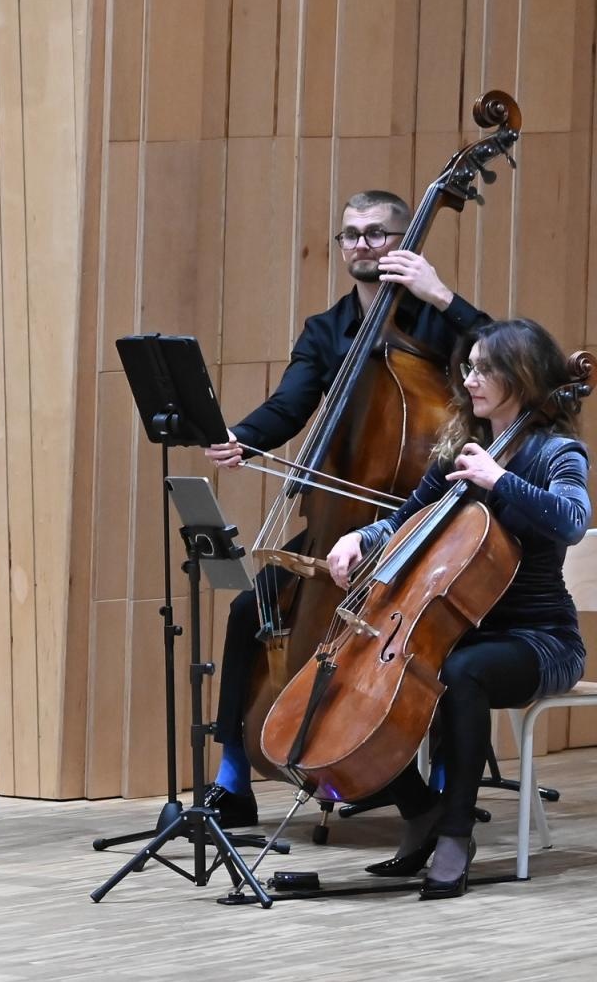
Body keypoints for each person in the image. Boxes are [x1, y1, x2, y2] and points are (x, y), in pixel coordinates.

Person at [203, 190, 490, 827]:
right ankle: (232, 777)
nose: (362, 245)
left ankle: (445, 782)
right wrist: (243, 437)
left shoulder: (440, 322)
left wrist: (443, 297)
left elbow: (510, 358)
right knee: (252, 608)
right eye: (351, 235)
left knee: (434, 640)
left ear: (403, 241)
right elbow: (291, 404)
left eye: (377, 234)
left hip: (421, 524)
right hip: (340, 521)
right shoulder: (327, 329)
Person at [324, 318, 588, 897]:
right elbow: (404, 520)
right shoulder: (459, 453)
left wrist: (500, 480)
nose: (470, 378)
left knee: (460, 671)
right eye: (468, 367)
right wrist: (360, 540)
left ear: (523, 375)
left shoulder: (556, 453)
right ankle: (419, 809)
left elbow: (571, 521)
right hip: (458, 630)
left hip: (539, 639)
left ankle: (453, 832)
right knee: (372, 674)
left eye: (485, 368)